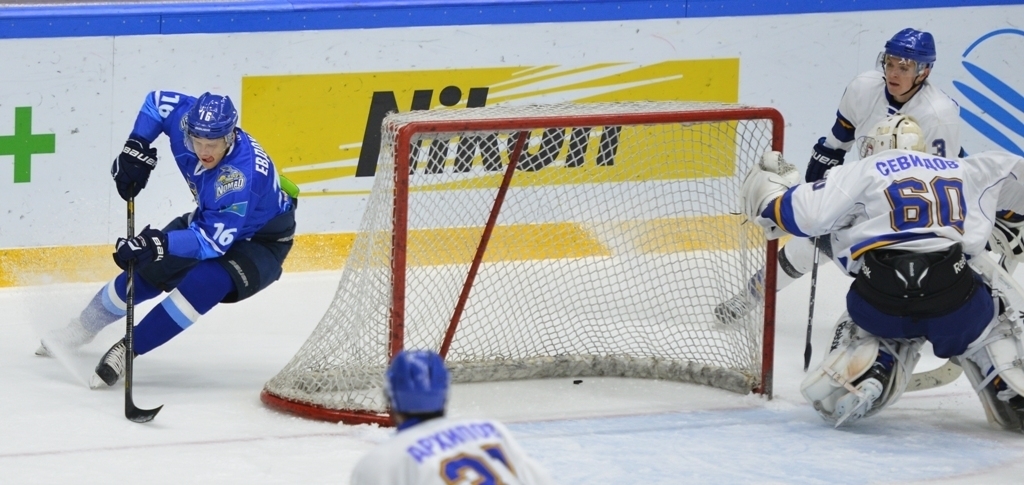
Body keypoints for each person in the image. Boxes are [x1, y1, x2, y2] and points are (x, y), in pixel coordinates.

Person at [740, 114, 1024, 430]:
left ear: (874, 146)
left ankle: (875, 363)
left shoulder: (862, 170)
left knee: (867, 318)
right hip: (954, 297)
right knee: (990, 315)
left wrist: (771, 190)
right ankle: (1003, 377)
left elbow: (795, 213)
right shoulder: (964, 168)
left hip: (880, 299)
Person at [37, 91, 297, 389]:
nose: (203, 151)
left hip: (261, 241)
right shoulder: (186, 121)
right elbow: (157, 103)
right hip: (211, 220)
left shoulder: (238, 178)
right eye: (197, 142)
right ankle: (81, 328)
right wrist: (136, 145)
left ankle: (129, 349)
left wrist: (158, 244)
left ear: (230, 136)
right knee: (146, 272)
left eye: (212, 144)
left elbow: (211, 244)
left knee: (204, 283)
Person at [715, 27, 967, 325]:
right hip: (871, 188)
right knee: (807, 245)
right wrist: (817, 200)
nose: (893, 73)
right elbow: (834, 147)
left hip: (914, 207)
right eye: (889, 63)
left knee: (891, 267)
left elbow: (942, 186)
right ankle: (749, 296)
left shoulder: (938, 116)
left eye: (904, 67)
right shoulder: (864, 89)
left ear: (924, 72)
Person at [350, 350, 556, 485]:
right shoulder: (491, 430)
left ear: (389, 397)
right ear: (445, 394)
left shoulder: (382, 461)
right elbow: (542, 479)